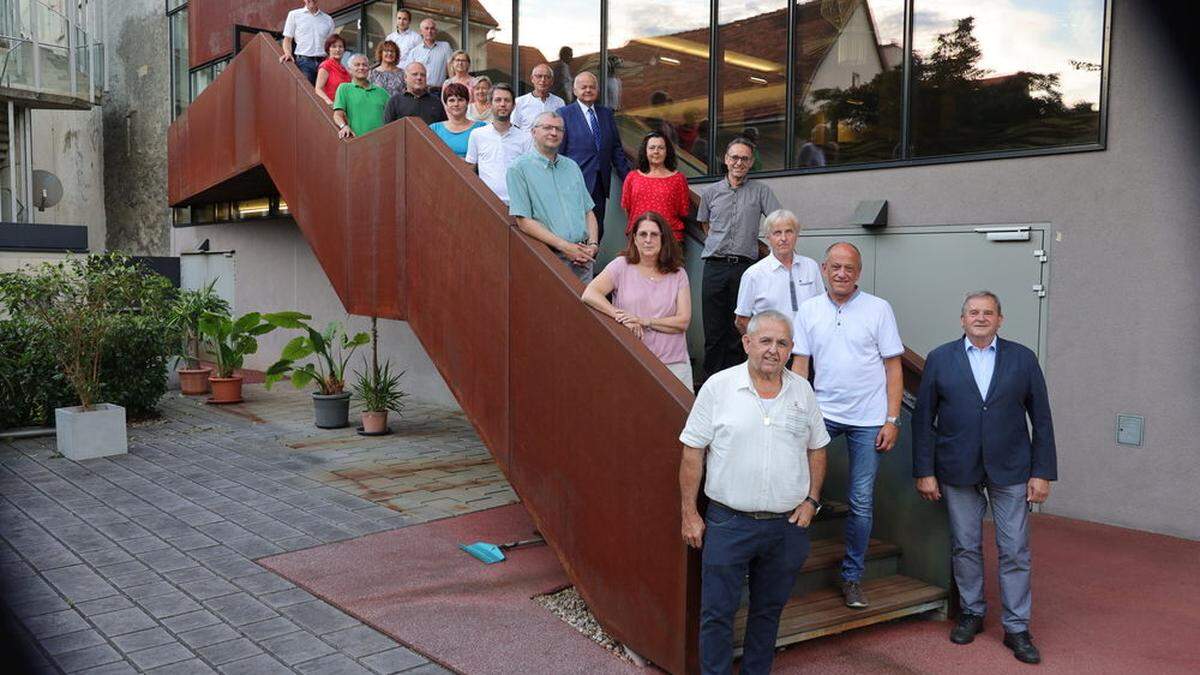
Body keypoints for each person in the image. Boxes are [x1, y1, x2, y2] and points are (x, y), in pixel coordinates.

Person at [679, 309, 829, 675]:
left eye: (781, 343)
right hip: (729, 523)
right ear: (747, 343)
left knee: (767, 613)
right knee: (717, 613)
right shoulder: (718, 387)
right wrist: (689, 513)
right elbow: (692, 451)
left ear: (791, 348)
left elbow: (818, 447)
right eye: (765, 341)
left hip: (785, 528)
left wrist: (811, 501)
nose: (773, 350)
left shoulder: (802, 391)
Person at [912, 291, 1057, 665]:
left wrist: (1042, 472)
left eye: (987, 313)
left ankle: (1017, 627)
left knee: (1015, 550)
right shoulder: (940, 359)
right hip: (957, 468)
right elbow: (923, 419)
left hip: (1011, 468)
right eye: (973, 313)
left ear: (1000, 319)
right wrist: (924, 471)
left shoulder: (1022, 358)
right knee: (965, 545)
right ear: (962, 320)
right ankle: (972, 612)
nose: (980, 318)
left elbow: (1041, 418)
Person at [792, 242, 904, 610]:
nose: (842, 273)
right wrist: (797, 412)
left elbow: (893, 368)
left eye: (849, 268)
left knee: (860, 501)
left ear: (859, 272)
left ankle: (852, 577)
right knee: (799, 491)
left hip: (869, 421)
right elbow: (801, 365)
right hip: (821, 413)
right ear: (824, 269)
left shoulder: (879, 309)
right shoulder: (808, 310)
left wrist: (891, 419)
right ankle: (788, 565)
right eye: (835, 266)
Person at [697, 137, 781, 381]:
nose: (739, 163)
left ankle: (735, 385)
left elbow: (778, 221)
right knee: (713, 331)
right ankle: (710, 386)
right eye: (734, 157)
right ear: (726, 159)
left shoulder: (761, 191)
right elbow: (705, 224)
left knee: (739, 330)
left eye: (744, 158)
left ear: (751, 162)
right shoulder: (710, 192)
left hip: (745, 269)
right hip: (714, 266)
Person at [581, 212, 692, 387]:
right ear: (635, 238)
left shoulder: (678, 273)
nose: (648, 240)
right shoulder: (620, 266)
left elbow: (683, 321)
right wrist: (621, 316)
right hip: (631, 358)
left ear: (664, 238)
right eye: (643, 234)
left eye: (654, 234)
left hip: (673, 364)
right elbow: (590, 294)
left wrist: (644, 321)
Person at [507, 111, 599, 282]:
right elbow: (524, 222)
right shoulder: (518, 169)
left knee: (583, 309)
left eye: (559, 129)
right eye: (547, 127)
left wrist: (593, 245)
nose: (553, 133)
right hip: (549, 258)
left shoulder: (572, 167)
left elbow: (588, 212)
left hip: (583, 258)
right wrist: (565, 247)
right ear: (533, 132)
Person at [559, 71, 632, 242]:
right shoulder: (564, 114)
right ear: (574, 90)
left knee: (597, 229)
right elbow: (558, 153)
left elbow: (616, 149)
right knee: (574, 229)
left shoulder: (606, 114)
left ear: (598, 90)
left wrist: (630, 178)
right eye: (583, 87)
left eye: (592, 87)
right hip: (574, 184)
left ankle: (589, 266)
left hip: (600, 184)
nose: (588, 90)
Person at [734, 210, 824, 339]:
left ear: (797, 235)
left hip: (809, 348)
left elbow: (822, 307)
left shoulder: (811, 266)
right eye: (777, 233)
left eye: (789, 232)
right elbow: (741, 320)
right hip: (773, 353)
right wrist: (763, 344)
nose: (783, 238)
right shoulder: (754, 274)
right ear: (768, 237)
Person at [465, 83, 531, 205]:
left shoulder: (525, 138)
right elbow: (470, 170)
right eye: (498, 100)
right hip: (486, 203)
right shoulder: (477, 135)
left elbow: (529, 173)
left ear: (513, 106)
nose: (502, 104)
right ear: (489, 104)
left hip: (517, 204)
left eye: (507, 100)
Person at [621, 132, 689, 242]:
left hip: (670, 240)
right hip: (640, 239)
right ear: (645, 151)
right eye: (652, 148)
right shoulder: (632, 177)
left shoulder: (678, 179)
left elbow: (683, 211)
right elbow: (627, 208)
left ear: (667, 151)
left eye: (661, 148)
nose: (656, 152)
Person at [333, 54, 390, 139]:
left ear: (369, 69)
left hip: (382, 141)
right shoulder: (344, 88)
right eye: (357, 65)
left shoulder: (382, 92)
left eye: (365, 65)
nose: (361, 67)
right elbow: (337, 115)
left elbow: (393, 118)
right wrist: (344, 126)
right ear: (349, 70)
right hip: (358, 142)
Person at [279, 0, 334, 85]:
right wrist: (287, 53)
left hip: (324, 63)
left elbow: (331, 44)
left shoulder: (328, 19)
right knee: (307, 93)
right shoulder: (294, 15)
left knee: (324, 94)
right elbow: (287, 39)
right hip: (304, 63)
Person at [430, 83, 486, 159]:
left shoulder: (481, 128)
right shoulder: (434, 129)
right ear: (446, 104)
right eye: (451, 100)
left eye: (460, 100)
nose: (456, 104)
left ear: (467, 102)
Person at [383, 63, 447, 126]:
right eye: (415, 74)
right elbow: (388, 130)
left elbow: (443, 128)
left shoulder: (436, 102)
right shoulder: (395, 101)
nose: (419, 77)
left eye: (423, 75)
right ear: (405, 77)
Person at [512, 63, 565, 130]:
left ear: (552, 81)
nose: (543, 80)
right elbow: (514, 128)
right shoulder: (520, 102)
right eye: (539, 76)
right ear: (532, 79)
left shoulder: (559, 102)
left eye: (547, 77)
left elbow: (561, 128)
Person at [407, 19, 453, 89]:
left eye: (432, 28)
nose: (429, 31)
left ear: (436, 31)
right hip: (419, 90)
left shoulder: (445, 47)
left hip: (438, 91)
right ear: (421, 32)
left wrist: (452, 87)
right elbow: (409, 74)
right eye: (426, 28)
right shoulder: (414, 52)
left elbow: (451, 70)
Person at [314, 34, 350, 106]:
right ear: (328, 49)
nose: (338, 49)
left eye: (340, 47)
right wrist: (328, 101)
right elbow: (318, 89)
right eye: (334, 46)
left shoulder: (344, 69)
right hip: (331, 108)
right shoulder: (326, 66)